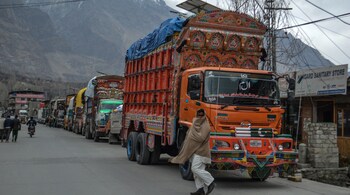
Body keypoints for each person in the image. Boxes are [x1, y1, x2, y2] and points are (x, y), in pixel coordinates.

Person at [170, 109, 215, 195]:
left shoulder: (205, 125)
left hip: (202, 152)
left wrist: (193, 130)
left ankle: (210, 182)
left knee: (195, 169)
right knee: (196, 172)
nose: (200, 117)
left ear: (204, 116)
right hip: (195, 151)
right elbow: (189, 136)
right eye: (198, 115)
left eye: (202, 115)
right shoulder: (195, 124)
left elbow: (200, 138)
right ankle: (200, 189)